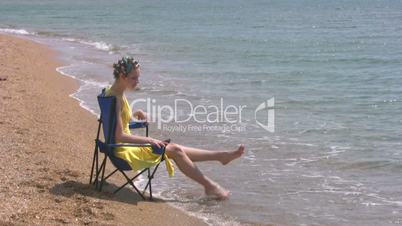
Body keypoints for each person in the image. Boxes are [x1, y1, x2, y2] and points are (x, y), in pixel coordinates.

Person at [106, 56, 245, 200]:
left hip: (118, 148)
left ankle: (220, 156)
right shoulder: (117, 99)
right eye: (134, 78)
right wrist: (150, 140)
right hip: (124, 153)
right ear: (123, 76)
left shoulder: (110, 92)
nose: (137, 82)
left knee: (175, 148)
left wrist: (134, 114)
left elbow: (116, 123)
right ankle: (210, 186)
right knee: (176, 150)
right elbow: (119, 136)